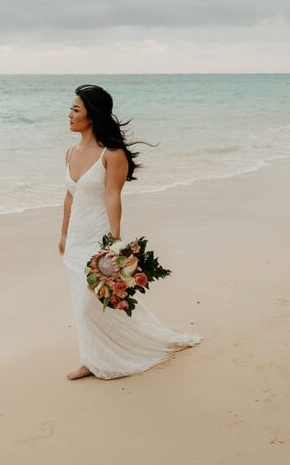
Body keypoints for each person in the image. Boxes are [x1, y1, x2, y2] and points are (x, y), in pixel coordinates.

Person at [59, 84, 201, 380]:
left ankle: (104, 357)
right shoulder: (70, 151)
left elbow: (113, 195)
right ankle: (90, 359)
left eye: (76, 109)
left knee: (90, 302)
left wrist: (115, 239)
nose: (69, 114)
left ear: (92, 115)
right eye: (71, 108)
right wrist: (62, 234)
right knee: (80, 301)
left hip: (98, 236)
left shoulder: (112, 154)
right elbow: (70, 196)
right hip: (74, 239)